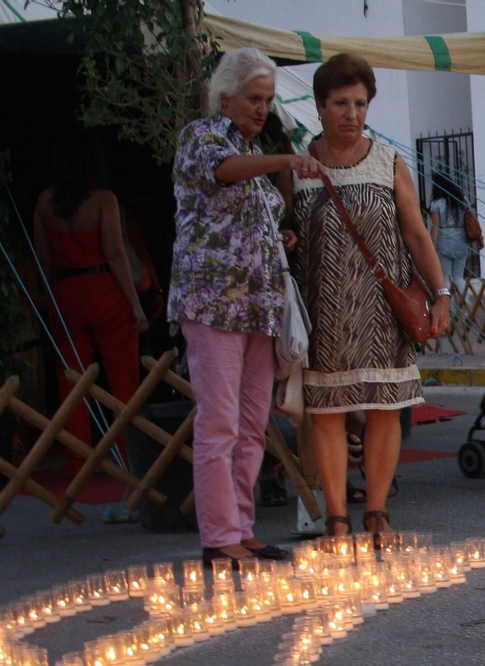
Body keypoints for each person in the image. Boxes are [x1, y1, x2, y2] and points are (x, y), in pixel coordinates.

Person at [168, 46, 319, 566]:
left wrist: (281, 239)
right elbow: (221, 170)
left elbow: (243, 211)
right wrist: (286, 159)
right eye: (254, 99)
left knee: (254, 422)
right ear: (226, 96)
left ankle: (243, 526)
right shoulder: (201, 138)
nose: (262, 108)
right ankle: (219, 536)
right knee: (219, 422)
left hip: (258, 305)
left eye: (269, 100)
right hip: (213, 304)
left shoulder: (252, 158)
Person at [290, 53, 450, 540]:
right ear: (319, 106)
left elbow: (418, 235)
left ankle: (376, 511)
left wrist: (441, 293)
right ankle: (337, 516)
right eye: (340, 103)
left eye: (360, 103)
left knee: (384, 410)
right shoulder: (298, 164)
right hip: (324, 310)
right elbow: (282, 230)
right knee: (328, 413)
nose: (351, 114)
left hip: (384, 310)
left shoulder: (388, 161)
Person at [33, 133, 147, 473]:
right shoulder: (103, 200)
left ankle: (76, 459)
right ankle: (131, 458)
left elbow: (42, 258)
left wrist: (49, 297)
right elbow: (114, 252)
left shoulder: (44, 202)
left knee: (72, 379)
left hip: (66, 291)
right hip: (104, 288)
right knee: (123, 377)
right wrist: (135, 304)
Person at [427, 170, 481, 294]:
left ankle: (450, 308)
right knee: (458, 277)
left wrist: (432, 245)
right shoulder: (463, 200)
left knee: (445, 277)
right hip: (461, 241)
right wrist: (480, 238)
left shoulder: (436, 203)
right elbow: (472, 220)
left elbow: (435, 227)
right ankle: (466, 304)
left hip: (444, 241)